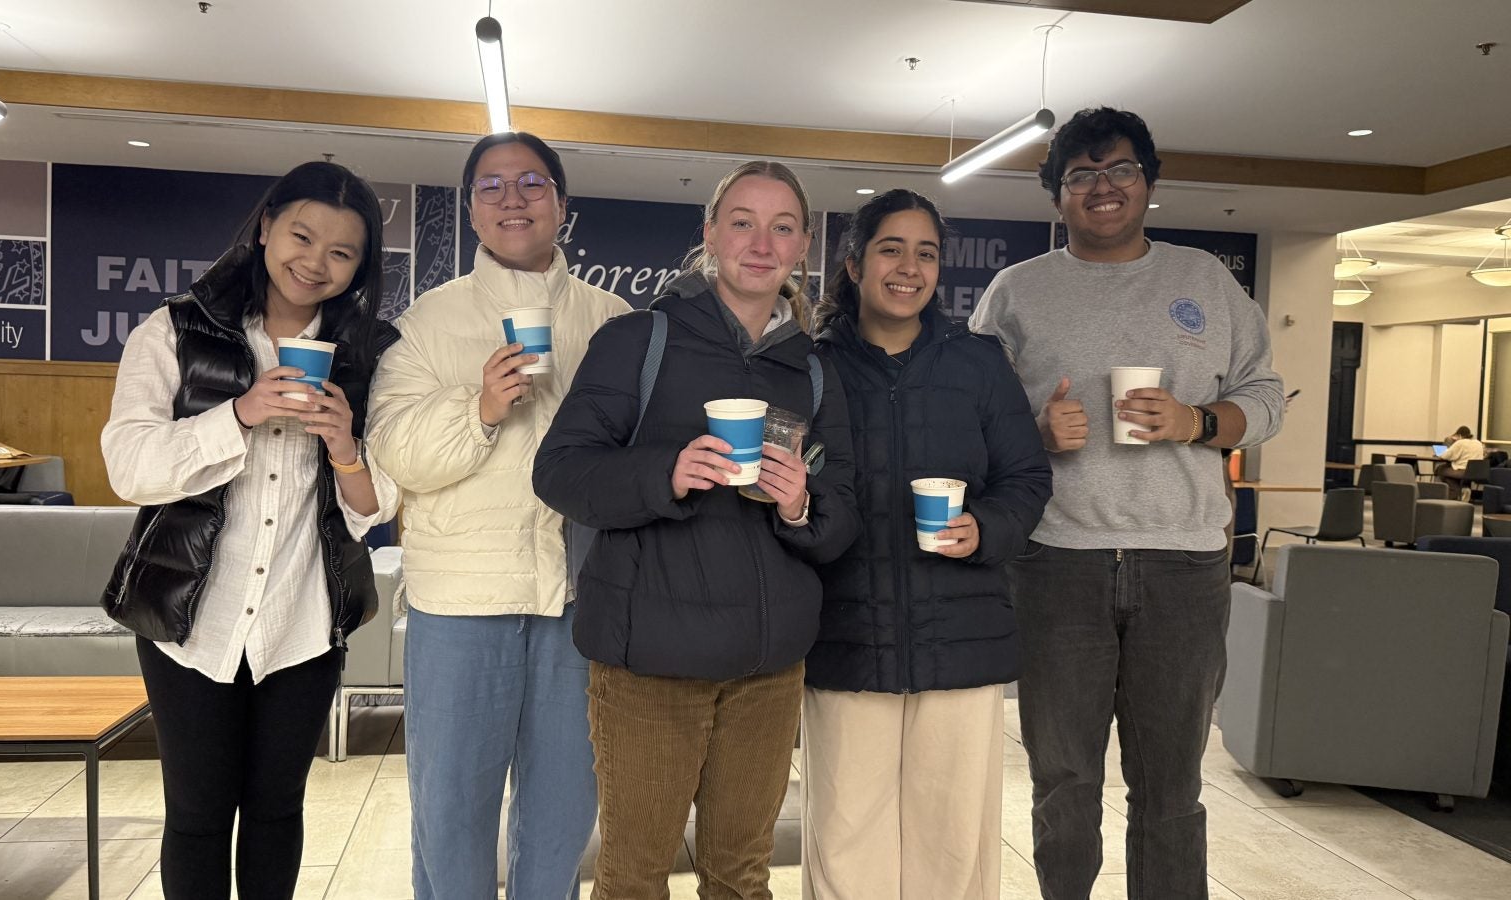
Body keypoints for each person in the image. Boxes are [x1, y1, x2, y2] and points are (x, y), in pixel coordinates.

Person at [969, 107, 1284, 900]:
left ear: (1148, 182)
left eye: (1119, 171)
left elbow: (1266, 396)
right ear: (1057, 195)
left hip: (1184, 565)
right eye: (1081, 175)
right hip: (1056, 565)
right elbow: (968, 416)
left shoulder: (1205, 281)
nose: (1102, 189)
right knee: (1064, 784)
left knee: (1172, 788)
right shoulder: (1016, 292)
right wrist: (1032, 432)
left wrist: (1199, 421)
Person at [532, 160, 861, 899]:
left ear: (803, 245)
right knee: (636, 876)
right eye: (741, 221)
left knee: (741, 876)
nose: (760, 242)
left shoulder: (810, 370)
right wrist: (665, 474)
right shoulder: (638, 340)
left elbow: (844, 513)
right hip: (649, 666)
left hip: (767, 672)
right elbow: (560, 474)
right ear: (710, 233)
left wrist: (800, 505)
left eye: (782, 227)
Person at [101, 160, 400, 899]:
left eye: (342, 253)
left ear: (360, 267)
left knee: (277, 812)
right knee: (197, 816)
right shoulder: (176, 328)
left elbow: (377, 507)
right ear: (265, 226)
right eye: (301, 236)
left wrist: (343, 446)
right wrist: (239, 413)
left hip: (303, 621)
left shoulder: (372, 353)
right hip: (188, 621)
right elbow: (129, 467)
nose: (315, 262)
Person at [365, 132, 630, 899]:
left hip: (578, 604)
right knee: (450, 820)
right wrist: (479, 408)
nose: (513, 199)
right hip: (462, 605)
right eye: (491, 187)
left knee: (562, 817)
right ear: (471, 212)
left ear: (562, 205)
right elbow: (396, 455)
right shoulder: (427, 321)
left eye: (532, 183)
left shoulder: (614, 321)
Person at [802, 189, 1052, 900]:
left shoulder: (978, 363)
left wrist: (986, 527)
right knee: (847, 841)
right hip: (847, 638)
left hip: (962, 639)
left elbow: (1026, 478)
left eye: (926, 253)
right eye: (891, 248)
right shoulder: (817, 369)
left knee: (953, 843)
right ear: (854, 264)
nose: (909, 267)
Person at [1435, 425, 1486, 499]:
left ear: (1459, 435)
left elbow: (1446, 456)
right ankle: (1465, 488)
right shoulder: (1478, 443)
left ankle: (1455, 491)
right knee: (1451, 476)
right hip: (1475, 472)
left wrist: (1443, 450)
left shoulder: (1460, 443)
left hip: (1462, 471)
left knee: (1441, 469)